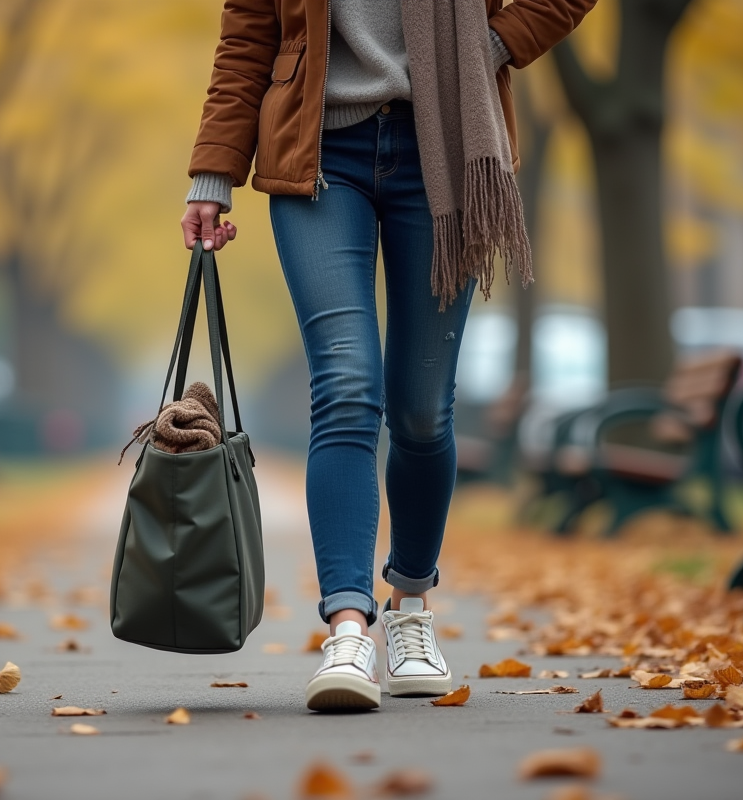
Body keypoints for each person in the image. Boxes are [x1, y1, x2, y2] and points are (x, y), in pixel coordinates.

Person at [180, 0, 596, 712]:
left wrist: (491, 45)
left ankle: (410, 606)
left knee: (422, 411)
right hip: (317, 152)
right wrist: (213, 174)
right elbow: (247, 37)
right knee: (346, 385)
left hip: (448, 149)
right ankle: (347, 628)